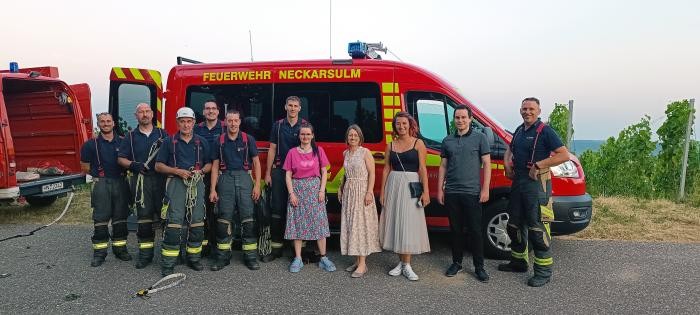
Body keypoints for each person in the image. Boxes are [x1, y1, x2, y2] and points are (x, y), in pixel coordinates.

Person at [498, 97, 570, 287]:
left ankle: (543, 272)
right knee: (514, 225)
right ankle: (519, 262)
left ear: (539, 111)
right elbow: (509, 149)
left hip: (537, 184)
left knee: (537, 228)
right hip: (519, 182)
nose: (527, 112)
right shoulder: (520, 130)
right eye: (524, 108)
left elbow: (564, 154)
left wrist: (540, 164)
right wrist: (507, 164)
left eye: (531, 109)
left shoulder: (545, 131)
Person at [437, 105, 491, 282]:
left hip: (472, 193)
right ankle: (457, 263)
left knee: (475, 231)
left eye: (463, 117)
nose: (460, 120)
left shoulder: (480, 138)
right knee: (455, 230)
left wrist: (485, 189)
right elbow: (443, 166)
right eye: (457, 117)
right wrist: (440, 189)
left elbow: (487, 164)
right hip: (452, 192)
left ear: (470, 119)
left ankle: (479, 267)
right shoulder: (447, 140)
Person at [155, 107, 212, 276]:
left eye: (189, 121)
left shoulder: (202, 142)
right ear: (177, 123)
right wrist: (177, 171)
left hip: (196, 184)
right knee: (174, 222)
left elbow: (209, 164)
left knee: (197, 222)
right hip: (176, 184)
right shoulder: (168, 141)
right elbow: (158, 166)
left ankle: (193, 259)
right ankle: (169, 263)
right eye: (182, 121)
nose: (186, 125)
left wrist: (201, 172)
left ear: (194, 122)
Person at [379, 111, 431, 281]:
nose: (401, 126)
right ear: (394, 126)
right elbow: (387, 168)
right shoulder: (390, 145)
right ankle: (401, 263)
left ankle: (407, 265)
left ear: (410, 125)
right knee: (397, 222)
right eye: (398, 124)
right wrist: (383, 191)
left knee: (408, 222)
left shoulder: (418, 143)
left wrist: (426, 191)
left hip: (411, 184)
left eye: (404, 123)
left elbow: (423, 168)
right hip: (394, 184)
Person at [209, 109, 262, 271]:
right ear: (226, 122)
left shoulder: (248, 139)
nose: (233, 124)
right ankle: (223, 257)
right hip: (225, 179)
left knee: (248, 219)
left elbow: (257, 163)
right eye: (230, 121)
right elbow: (215, 166)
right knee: (224, 219)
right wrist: (213, 189)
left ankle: (250, 257)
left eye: (236, 121)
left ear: (240, 122)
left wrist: (257, 185)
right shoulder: (219, 140)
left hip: (245, 179)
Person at [117, 103, 168, 269]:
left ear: (153, 114)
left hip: (162, 181)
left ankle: (169, 255)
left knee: (166, 217)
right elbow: (121, 159)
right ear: (136, 115)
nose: (144, 114)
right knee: (144, 219)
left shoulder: (163, 134)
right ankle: (145, 256)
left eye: (147, 111)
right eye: (141, 112)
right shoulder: (130, 137)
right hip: (141, 182)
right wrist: (134, 165)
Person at [282, 123, 335, 273]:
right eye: (302, 134)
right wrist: (291, 193)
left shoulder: (319, 151)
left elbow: (324, 172)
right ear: (299, 136)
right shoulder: (292, 152)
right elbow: (288, 175)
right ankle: (298, 258)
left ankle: (323, 258)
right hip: (297, 191)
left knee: (320, 224)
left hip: (314, 191)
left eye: (308, 134)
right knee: (297, 225)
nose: (305, 137)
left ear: (312, 136)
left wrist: (322, 190)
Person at [80, 113, 131, 267]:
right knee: (100, 219)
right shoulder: (90, 144)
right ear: (99, 124)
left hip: (121, 182)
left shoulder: (124, 142)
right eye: (102, 121)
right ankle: (100, 253)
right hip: (101, 183)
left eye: (108, 121)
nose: (106, 124)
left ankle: (120, 249)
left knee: (121, 218)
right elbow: (85, 167)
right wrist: (99, 176)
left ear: (114, 123)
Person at [263, 96, 304, 262]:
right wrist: (267, 173)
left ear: (300, 108)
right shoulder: (278, 126)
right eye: (290, 105)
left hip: (299, 174)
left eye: (295, 106)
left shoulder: (305, 126)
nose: (293, 108)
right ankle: (276, 249)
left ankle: (298, 252)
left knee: (299, 211)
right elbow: (272, 149)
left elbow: (310, 149)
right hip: (280, 172)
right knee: (277, 211)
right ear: (285, 107)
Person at [338, 125, 381, 278]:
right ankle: (357, 261)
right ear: (347, 138)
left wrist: (369, 192)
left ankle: (363, 264)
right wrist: (341, 187)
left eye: (355, 135)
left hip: (362, 191)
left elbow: (372, 173)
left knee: (360, 225)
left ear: (360, 137)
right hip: (349, 191)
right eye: (350, 135)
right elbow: (345, 174)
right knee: (352, 225)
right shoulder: (346, 153)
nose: (353, 138)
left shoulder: (365, 152)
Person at [194, 99, 226, 257]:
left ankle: (218, 245)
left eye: (214, 108)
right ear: (204, 111)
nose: (211, 111)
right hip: (203, 174)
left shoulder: (226, 127)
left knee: (221, 212)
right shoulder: (197, 129)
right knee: (205, 210)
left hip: (223, 174)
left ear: (218, 112)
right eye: (207, 109)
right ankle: (205, 245)